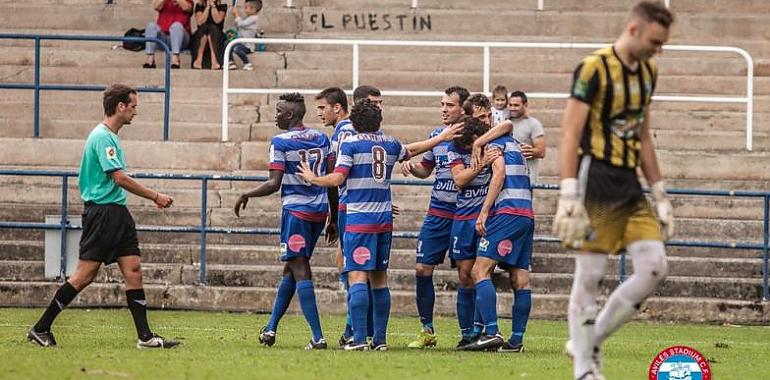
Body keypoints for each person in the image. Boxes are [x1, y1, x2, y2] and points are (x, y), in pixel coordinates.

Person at [554, 2, 674, 379]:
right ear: (634, 29)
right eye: (655, 41)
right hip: (596, 177)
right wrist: (569, 192)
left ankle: (589, 341)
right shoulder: (594, 68)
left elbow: (642, 134)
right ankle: (584, 370)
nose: (659, 49)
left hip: (629, 182)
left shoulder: (649, 71)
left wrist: (659, 192)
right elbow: (571, 133)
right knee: (590, 274)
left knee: (655, 267)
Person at [298, 99, 463, 351]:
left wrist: (314, 178)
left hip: (358, 220)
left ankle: (360, 340)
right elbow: (413, 149)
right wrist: (441, 138)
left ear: (354, 122)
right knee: (379, 279)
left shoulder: (351, 144)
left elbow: (338, 177)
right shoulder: (391, 143)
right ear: (379, 122)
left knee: (356, 277)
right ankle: (380, 341)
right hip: (384, 220)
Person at [27, 84, 177, 349]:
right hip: (103, 212)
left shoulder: (111, 137)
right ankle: (41, 327)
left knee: (134, 271)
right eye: (133, 106)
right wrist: (155, 196)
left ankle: (145, 337)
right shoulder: (102, 137)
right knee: (84, 275)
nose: (135, 112)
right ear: (120, 106)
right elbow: (118, 178)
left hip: (117, 213)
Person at [234, 92, 335, 350]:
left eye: (279, 111)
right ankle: (270, 329)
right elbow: (332, 180)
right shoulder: (321, 139)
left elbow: (273, 183)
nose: (275, 115)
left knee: (299, 267)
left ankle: (318, 337)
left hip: (296, 213)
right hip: (319, 211)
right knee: (291, 268)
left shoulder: (280, 142)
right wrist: (333, 217)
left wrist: (247, 193)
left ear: (289, 114)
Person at [401, 86, 469, 349]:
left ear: (463, 108)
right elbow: (425, 170)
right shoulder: (436, 137)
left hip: (464, 213)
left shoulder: (475, 137)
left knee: (467, 274)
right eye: (442, 104)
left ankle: (470, 332)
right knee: (421, 269)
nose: (443, 109)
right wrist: (412, 167)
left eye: (449, 105)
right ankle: (427, 330)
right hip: (437, 213)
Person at [465, 127, 535, 352]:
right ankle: (516, 341)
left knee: (479, 271)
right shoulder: (514, 144)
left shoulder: (494, 145)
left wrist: (484, 211)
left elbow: (499, 174)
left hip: (507, 213)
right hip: (526, 214)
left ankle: (492, 331)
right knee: (520, 278)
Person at [446, 113, 498, 347]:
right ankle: (467, 332)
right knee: (465, 276)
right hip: (463, 219)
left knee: (482, 273)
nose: (470, 149)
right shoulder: (454, 148)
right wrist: (481, 164)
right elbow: (460, 180)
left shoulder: (492, 144)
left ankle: (483, 330)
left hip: (488, 219)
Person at [471, 90, 546, 185]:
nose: (512, 108)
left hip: (526, 175)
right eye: (510, 105)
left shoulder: (533, 123)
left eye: (516, 105)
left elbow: (541, 152)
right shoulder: (502, 122)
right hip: (504, 177)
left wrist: (528, 151)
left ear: (525, 105)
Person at [144, 0, 194, 69]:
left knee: (177, 26)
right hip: (164, 37)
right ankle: (150, 58)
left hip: (181, 39)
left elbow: (187, 7)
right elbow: (155, 6)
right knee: (151, 26)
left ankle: (175, 58)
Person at [190, 0, 227, 69]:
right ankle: (199, 59)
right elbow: (200, 22)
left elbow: (217, 20)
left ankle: (214, 59)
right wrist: (207, 7)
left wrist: (213, 7)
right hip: (201, 34)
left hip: (217, 35)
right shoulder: (199, 6)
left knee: (212, 29)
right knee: (204, 29)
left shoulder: (222, 6)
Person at [227, 0, 262, 71]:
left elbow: (241, 24)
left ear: (253, 9)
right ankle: (230, 62)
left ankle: (247, 63)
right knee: (227, 44)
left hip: (247, 46)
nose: (244, 9)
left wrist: (236, 14)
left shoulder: (254, 18)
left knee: (237, 49)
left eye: (246, 7)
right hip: (240, 42)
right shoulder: (247, 17)